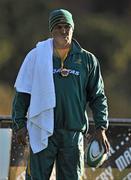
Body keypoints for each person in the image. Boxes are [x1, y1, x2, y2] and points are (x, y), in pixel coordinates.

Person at [12, 9, 110, 180]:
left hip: (72, 134)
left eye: (67, 26)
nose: (64, 31)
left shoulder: (87, 60)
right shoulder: (36, 56)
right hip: (43, 130)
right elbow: (23, 93)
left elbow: (98, 96)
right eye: (58, 26)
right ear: (52, 29)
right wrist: (19, 123)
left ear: (73, 28)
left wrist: (101, 127)